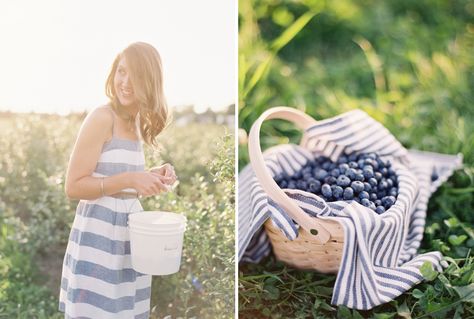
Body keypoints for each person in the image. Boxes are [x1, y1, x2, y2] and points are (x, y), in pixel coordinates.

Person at [58, 42, 177, 319]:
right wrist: (130, 178)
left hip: (128, 237)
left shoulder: (137, 121)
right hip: (99, 237)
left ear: (150, 80)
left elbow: (123, 185)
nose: (125, 82)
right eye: (121, 71)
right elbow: (74, 186)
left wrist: (150, 176)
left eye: (134, 75)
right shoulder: (102, 117)